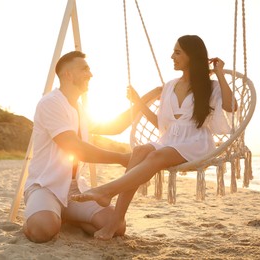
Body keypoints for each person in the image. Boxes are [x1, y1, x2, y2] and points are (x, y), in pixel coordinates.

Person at [71, 35, 238, 240]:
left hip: (195, 142)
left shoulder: (210, 86)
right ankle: (115, 220)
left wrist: (220, 73)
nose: (172, 56)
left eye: (177, 52)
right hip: (169, 140)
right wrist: (138, 102)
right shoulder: (169, 86)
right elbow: (160, 124)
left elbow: (231, 107)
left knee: (156, 158)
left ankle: (107, 192)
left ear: (192, 56)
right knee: (140, 151)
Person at [22, 50, 160, 243]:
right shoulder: (51, 103)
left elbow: (115, 126)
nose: (91, 74)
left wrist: (143, 99)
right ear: (67, 74)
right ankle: (46, 215)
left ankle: (67, 216)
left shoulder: (79, 108)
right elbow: (75, 148)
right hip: (46, 186)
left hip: (74, 189)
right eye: (85, 69)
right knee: (43, 230)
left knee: (117, 225)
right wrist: (121, 158)